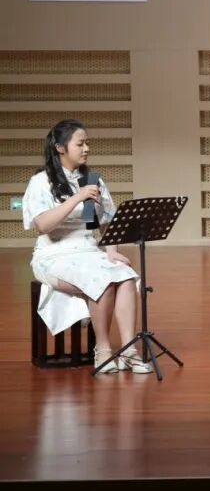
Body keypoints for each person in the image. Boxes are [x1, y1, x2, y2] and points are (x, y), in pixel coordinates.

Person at [22, 119, 151, 374]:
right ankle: (102, 350)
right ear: (60, 147)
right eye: (80, 144)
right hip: (54, 254)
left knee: (125, 276)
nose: (86, 149)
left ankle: (128, 350)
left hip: (89, 251)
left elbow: (107, 222)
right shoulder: (40, 181)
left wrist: (112, 252)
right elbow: (43, 225)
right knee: (102, 280)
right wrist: (77, 197)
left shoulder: (92, 180)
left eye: (87, 143)